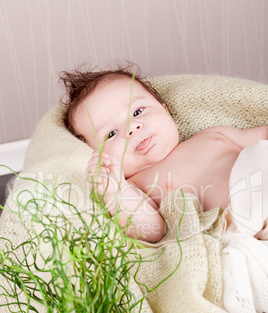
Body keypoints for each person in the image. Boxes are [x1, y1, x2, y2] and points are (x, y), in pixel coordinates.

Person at [60, 66, 268, 243]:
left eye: (137, 112)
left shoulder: (214, 134)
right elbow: (152, 230)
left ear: (164, 110)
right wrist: (115, 193)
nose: (132, 128)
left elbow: (262, 134)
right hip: (240, 222)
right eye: (111, 133)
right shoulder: (134, 186)